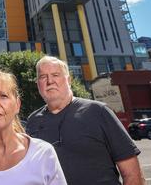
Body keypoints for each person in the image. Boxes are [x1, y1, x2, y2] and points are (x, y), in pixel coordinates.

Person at [26, 56, 144, 185]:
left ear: (68, 80)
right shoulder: (33, 122)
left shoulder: (98, 111)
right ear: (38, 84)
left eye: (55, 75)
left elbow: (132, 173)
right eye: (43, 77)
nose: (50, 81)